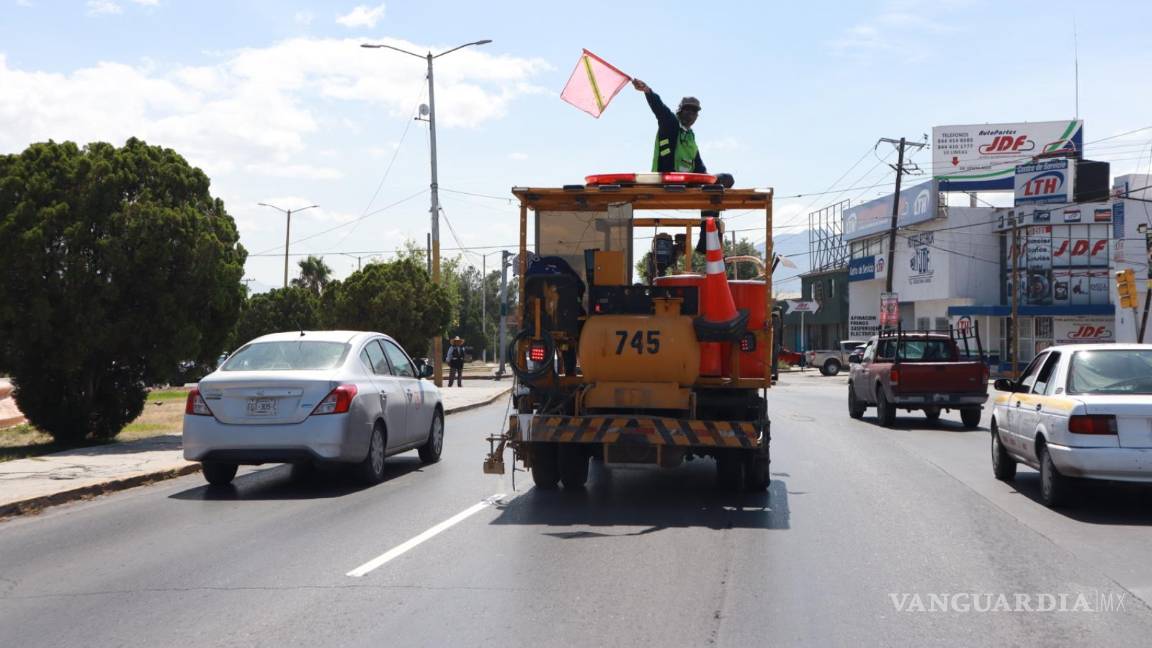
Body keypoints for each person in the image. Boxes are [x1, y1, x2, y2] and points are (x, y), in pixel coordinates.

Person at [632, 79, 706, 173]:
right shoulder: (670, 123)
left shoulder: (690, 137)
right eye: (687, 109)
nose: (691, 113)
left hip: (687, 184)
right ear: (679, 111)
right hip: (665, 182)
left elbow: (699, 167)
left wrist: (712, 181)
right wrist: (647, 90)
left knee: (726, 178)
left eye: (694, 111)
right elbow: (660, 107)